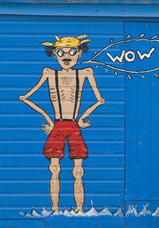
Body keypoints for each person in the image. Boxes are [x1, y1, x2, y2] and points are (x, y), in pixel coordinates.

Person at [19, 35, 105, 213]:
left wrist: (82, 117)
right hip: (58, 125)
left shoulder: (85, 73)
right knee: (55, 169)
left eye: (72, 52)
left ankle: (79, 209)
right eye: (61, 52)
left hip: (73, 125)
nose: (66, 56)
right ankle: (55, 209)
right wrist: (48, 119)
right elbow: (25, 97)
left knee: (78, 171)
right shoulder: (49, 73)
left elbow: (99, 100)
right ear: (54, 54)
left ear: (79, 54)